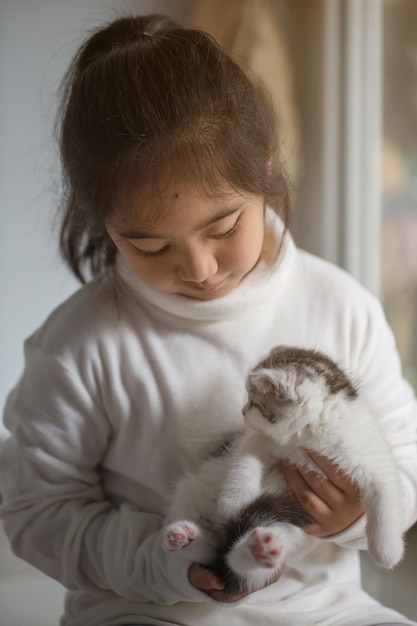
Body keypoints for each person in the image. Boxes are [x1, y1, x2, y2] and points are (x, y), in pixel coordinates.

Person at [0, 13, 416, 626]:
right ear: (100, 220)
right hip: (142, 611)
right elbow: (36, 510)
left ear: (266, 164)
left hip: (322, 611)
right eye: (149, 245)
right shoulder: (80, 343)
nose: (198, 268)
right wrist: (164, 564)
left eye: (223, 227)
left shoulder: (342, 306)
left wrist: (357, 517)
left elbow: (405, 457)